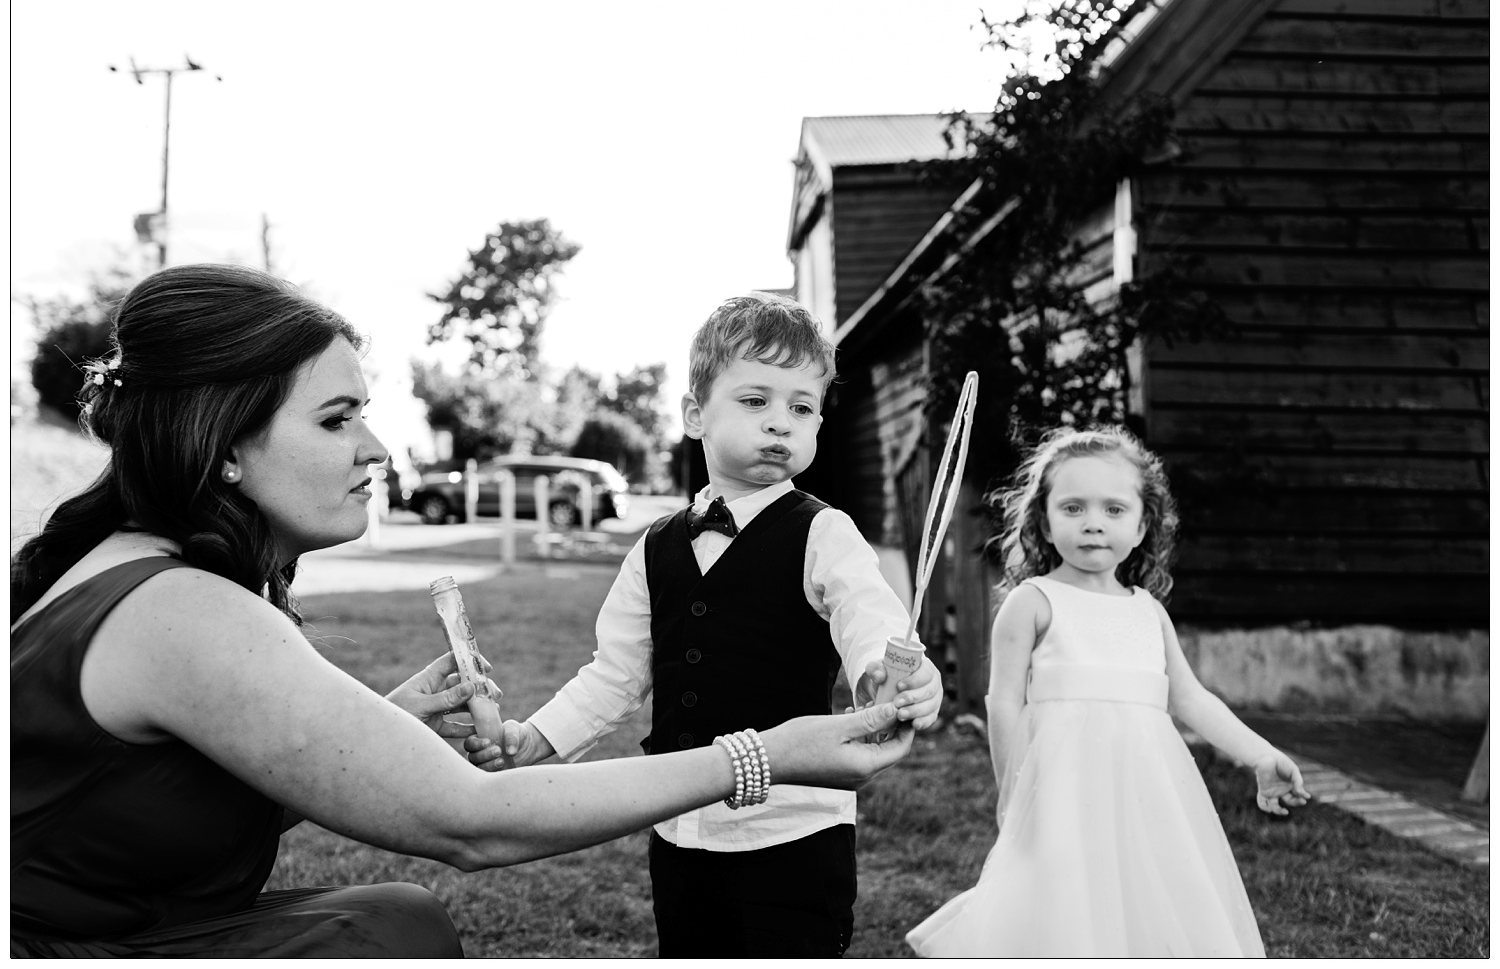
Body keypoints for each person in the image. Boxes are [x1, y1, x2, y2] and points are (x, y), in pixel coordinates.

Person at [10, 265, 915, 958]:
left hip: (124, 927)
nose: (377, 447)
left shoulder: (163, 577)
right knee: (393, 932)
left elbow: (181, 805)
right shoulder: (179, 610)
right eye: (336, 420)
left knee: (392, 916)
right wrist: (768, 753)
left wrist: (385, 726)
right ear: (226, 443)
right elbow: (473, 819)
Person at [463, 292, 945, 957]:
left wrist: (884, 676)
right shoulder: (654, 545)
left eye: (801, 408)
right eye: (756, 401)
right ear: (695, 414)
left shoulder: (823, 531)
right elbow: (615, 674)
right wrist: (535, 741)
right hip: (679, 829)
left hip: (797, 835)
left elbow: (869, 612)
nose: (781, 423)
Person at [905, 426, 1311, 958]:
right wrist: (1012, 789)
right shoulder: (1033, 602)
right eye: (1073, 508)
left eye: (1114, 510)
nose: (1093, 523)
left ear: (1143, 526)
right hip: (1061, 791)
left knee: (1147, 902)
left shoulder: (1148, 611)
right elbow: (1004, 701)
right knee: (1065, 907)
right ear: (1044, 523)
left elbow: (1190, 699)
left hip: (1148, 795)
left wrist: (1260, 755)